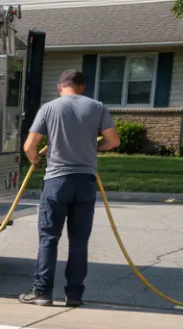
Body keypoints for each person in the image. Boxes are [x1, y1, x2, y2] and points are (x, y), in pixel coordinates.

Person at [19, 69, 119, 307]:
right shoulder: (97, 106)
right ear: (82, 86)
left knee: (49, 238)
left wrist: (35, 160)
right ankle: (74, 294)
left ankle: (42, 292)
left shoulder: (49, 108)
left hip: (56, 182)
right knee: (78, 240)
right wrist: (96, 147)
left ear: (59, 87)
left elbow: (29, 146)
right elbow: (113, 141)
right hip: (85, 182)